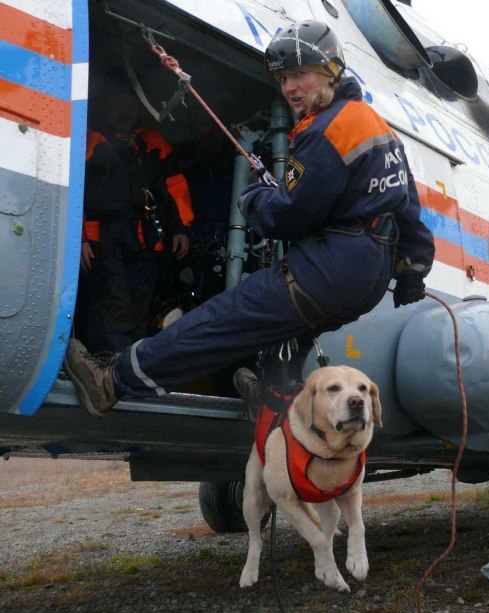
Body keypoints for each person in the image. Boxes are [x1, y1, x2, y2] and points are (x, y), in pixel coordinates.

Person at [64, 20, 435, 416]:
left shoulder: (326, 130)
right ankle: (275, 394)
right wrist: (413, 268)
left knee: (223, 319)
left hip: (332, 267)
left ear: (328, 69)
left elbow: (286, 219)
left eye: (299, 74)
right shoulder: (373, 124)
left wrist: (253, 197)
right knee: (290, 328)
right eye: (282, 78)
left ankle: (113, 381)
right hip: (372, 274)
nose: (290, 87)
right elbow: (407, 203)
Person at [79, 69, 192, 354]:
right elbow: (73, 189)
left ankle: (131, 365)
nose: (125, 111)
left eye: (131, 105)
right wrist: (79, 238)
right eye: (119, 105)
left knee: (141, 300)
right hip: (103, 237)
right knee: (111, 299)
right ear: (107, 106)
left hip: (146, 235)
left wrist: (181, 229)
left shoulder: (152, 141)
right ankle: (106, 364)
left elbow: (174, 185)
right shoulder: (90, 139)